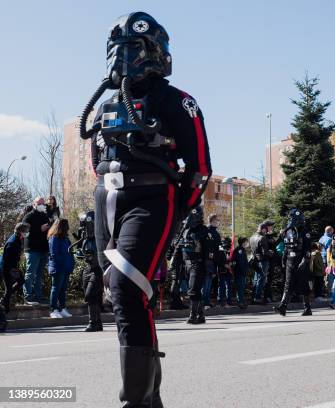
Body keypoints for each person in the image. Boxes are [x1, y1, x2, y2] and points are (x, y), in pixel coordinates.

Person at [81, 11, 212, 407]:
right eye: (117, 49)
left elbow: (200, 168)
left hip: (153, 199)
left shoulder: (177, 101)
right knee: (121, 294)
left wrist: (176, 215)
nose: (123, 57)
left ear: (153, 52)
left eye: (132, 48)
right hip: (108, 201)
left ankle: (134, 400)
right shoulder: (105, 103)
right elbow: (96, 159)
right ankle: (150, 398)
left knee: (125, 288)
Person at [274, 209, 313, 316]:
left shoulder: (305, 232)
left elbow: (308, 249)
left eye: (293, 218)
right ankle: (283, 306)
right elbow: (286, 247)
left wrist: (304, 262)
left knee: (303, 285)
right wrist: (283, 260)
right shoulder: (288, 231)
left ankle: (307, 308)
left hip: (301, 261)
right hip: (290, 261)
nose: (291, 220)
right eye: (290, 218)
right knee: (288, 284)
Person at [73, 211, 104, 331]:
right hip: (88, 268)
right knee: (91, 296)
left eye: (87, 225)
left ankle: (93, 323)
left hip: (97, 269)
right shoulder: (85, 237)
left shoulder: (101, 237)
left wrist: (95, 256)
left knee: (90, 294)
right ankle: (97, 323)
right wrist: (81, 253)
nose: (85, 227)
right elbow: (79, 250)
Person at [22, 197, 51, 305]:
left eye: (43, 204)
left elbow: (49, 229)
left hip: (43, 249)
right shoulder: (28, 217)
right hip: (32, 249)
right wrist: (39, 229)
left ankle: (39, 296)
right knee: (30, 273)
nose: (42, 205)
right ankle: (28, 297)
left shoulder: (44, 216)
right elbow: (25, 232)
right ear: (34, 204)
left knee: (39, 275)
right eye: (40, 203)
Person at [182, 207, 207, 324]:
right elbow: (179, 246)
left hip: (198, 263)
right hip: (186, 263)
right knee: (195, 290)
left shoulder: (203, 230)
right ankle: (201, 315)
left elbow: (206, 248)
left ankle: (193, 316)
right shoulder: (185, 229)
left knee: (193, 290)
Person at [47, 219, 74, 319]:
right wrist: (63, 263)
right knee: (56, 288)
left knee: (63, 289)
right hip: (57, 268)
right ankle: (53, 309)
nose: (68, 228)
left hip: (66, 268)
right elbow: (54, 254)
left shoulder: (66, 238)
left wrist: (71, 264)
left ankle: (62, 308)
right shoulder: (54, 238)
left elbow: (70, 252)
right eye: (66, 226)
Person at [1, 222, 30, 313]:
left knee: (20, 281)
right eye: (26, 231)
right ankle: (5, 308)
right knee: (9, 288)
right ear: (20, 231)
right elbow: (6, 258)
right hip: (7, 267)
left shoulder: (18, 239)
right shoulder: (12, 242)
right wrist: (11, 270)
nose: (27, 233)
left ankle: (4, 300)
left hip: (12, 267)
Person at [166, 218, 189, 310]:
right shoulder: (176, 237)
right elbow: (169, 252)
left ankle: (177, 301)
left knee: (177, 282)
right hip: (176, 263)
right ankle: (174, 302)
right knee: (176, 282)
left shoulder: (175, 236)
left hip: (178, 262)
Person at [202, 214, 221, 307]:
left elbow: (217, 247)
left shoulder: (215, 232)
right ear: (212, 220)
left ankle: (207, 300)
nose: (218, 222)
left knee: (209, 281)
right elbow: (205, 246)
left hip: (213, 260)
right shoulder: (206, 230)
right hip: (207, 260)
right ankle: (203, 301)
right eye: (217, 220)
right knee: (206, 281)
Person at [249, 222, 271, 304]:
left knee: (256, 279)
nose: (266, 231)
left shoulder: (252, 237)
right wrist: (270, 252)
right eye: (266, 230)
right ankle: (257, 298)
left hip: (255, 261)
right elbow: (265, 252)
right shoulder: (262, 238)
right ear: (263, 229)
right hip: (263, 261)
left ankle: (253, 297)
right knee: (261, 279)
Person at [230, 237, 250, 309]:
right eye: (246, 242)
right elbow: (240, 262)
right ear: (243, 242)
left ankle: (241, 301)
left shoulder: (241, 249)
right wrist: (244, 271)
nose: (247, 243)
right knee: (240, 287)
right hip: (240, 272)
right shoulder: (240, 250)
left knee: (241, 287)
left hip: (240, 271)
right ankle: (240, 302)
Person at [217, 237, 233, 307]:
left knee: (229, 286)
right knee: (221, 286)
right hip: (221, 271)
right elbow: (217, 261)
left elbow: (233, 260)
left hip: (229, 271)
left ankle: (229, 301)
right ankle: (220, 301)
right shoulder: (219, 251)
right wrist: (224, 265)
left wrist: (231, 264)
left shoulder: (230, 251)